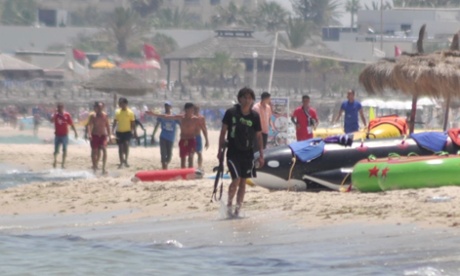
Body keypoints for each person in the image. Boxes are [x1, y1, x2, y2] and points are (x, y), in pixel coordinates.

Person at [218, 87, 265, 218]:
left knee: (243, 182)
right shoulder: (231, 113)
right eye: (245, 97)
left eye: (250, 98)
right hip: (233, 152)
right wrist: (219, 151)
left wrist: (261, 155)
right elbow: (223, 132)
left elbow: (259, 136)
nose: (247, 100)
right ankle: (229, 205)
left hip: (248, 153)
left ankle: (237, 210)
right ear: (239, 98)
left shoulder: (254, 116)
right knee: (236, 179)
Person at [147, 102, 203, 168]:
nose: (193, 111)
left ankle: (190, 171)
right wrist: (153, 114)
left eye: (193, 110)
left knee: (191, 157)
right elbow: (166, 116)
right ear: (186, 110)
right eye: (191, 110)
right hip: (183, 140)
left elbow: (203, 129)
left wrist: (206, 139)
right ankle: (183, 172)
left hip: (191, 139)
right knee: (183, 159)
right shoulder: (181, 117)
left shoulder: (196, 119)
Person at [151, 101, 180, 169]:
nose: (167, 107)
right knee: (163, 154)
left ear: (171, 107)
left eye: (168, 106)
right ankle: (164, 168)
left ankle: (166, 164)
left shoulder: (174, 116)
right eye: (165, 106)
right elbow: (157, 125)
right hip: (163, 137)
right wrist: (153, 135)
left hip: (171, 138)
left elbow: (181, 124)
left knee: (169, 155)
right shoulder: (162, 116)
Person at [50, 102, 78, 169]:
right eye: (58, 108)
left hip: (64, 135)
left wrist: (75, 132)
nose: (60, 109)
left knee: (64, 149)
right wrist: (54, 113)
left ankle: (63, 163)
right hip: (57, 135)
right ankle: (55, 160)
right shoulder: (56, 115)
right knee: (56, 150)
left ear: (63, 108)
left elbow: (71, 124)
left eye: (61, 108)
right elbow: (51, 121)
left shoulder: (67, 115)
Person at [87, 102, 112, 174]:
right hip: (95, 135)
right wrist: (89, 134)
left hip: (103, 135)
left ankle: (103, 168)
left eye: (101, 108)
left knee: (104, 150)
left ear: (103, 108)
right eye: (98, 107)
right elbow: (89, 126)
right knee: (94, 151)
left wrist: (109, 135)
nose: (100, 109)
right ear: (96, 108)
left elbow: (107, 126)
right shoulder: (93, 116)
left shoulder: (105, 116)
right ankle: (94, 166)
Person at [112, 97, 135, 168]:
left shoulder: (130, 112)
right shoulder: (117, 112)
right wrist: (112, 130)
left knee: (126, 145)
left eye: (121, 103)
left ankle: (126, 159)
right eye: (119, 103)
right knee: (120, 147)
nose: (120, 104)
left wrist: (133, 131)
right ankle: (121, 161)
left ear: (125, 104)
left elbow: (132, 122)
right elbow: (115, 121)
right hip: (119, 131)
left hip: (127, 131)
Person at [193, 105, 209, 170]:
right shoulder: (191, 117)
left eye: (197, 109)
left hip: (198, 137)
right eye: (195, 109)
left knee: (199, 153)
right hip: (191, 137)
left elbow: (204, 129)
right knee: (190, 153)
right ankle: (190, 167)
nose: (196, 111)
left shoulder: (201, 118)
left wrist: (207, 140)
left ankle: (199, 166)